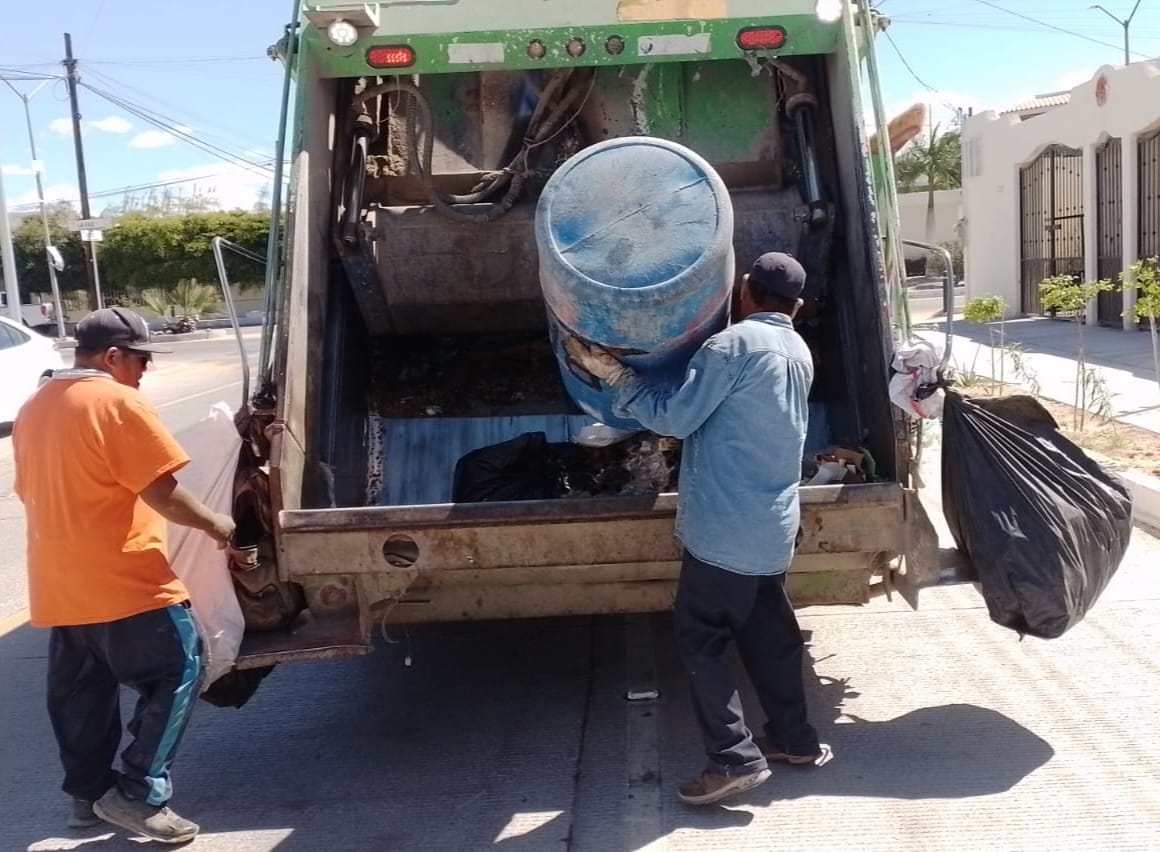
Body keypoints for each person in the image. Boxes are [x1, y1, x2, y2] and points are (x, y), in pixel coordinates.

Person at [565, 252, 831, 807]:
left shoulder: (730, 346)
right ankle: (795, 739)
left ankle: (733, 759)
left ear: (745, 292)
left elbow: (675, 418)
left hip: (724, 529)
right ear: (797, 306)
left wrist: (618, 376)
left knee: (701, 637)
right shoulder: (798, 351)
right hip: (772, 525)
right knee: (771, 635)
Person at [13, 307, 235, 844]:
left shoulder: (35, 407)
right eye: (139, 359)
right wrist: (216, 524)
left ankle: (88, 799)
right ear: (112, 357)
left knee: (82, 697)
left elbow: (29, 490)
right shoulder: (116, 401)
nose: (145, 370)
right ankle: (138, 793)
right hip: (127, 582)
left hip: (59, 586)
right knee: (180, 668)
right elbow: (162, 492)